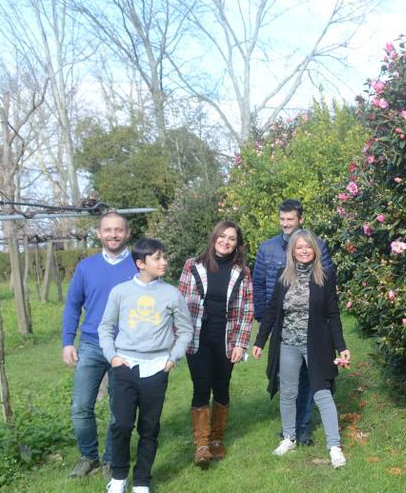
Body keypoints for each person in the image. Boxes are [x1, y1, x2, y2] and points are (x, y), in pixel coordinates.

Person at [98, 238, 194, 493]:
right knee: (121, 424)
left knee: (149, 427)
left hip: (156, 369)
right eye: (157, 258)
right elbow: (105, 327)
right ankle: (119, 477)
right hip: (124, 367)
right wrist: (113, 357)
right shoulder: (120, 292)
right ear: (141, 263)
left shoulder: (172, 294)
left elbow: (186, 329)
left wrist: (173, 358)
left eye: (164, 257)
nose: (164, 262)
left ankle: (141, 480)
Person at [251, 229, 350, 469]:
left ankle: (334, 446)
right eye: (299, 247)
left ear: (314, 250)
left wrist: (341, 347)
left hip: (316, 344)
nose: (304, 251)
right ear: (292, 251)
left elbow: (332, 314)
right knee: (288, 393)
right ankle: (289, 438)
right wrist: (260, 341)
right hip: (287, 344)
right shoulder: (283, 276)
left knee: (322, 393)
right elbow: (273, 311)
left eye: (308, 247)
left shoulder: (324, 275)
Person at [61, 212, 137, 479]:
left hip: (126, 348)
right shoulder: (86, 267)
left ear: (127, 233)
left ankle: (111, 459)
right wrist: (67, 342)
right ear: (99, 233)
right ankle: (88, 456)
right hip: (91, 345)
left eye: (118, 230)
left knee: (120, 408)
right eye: (108, 230)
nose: (113, 235)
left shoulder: (139, 265)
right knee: (81, 406)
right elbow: (72, 305)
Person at [252, 199, 333, 446]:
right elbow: (259, 284)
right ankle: (289, 429)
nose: (286, 224)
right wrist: (261, 317)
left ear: (300, 219)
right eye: (282, 220)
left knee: (309, 378)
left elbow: (326, 281)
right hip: (278, 321)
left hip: (310, 323)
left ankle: (304, 425)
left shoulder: (316, 246)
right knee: (285, 378)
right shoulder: (267, 248)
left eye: (290, 220)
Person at [178, 221, 254, 468]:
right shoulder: (193, 265)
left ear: (237, 243)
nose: (226, 241)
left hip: (227, 337)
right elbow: (179, 303)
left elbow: (246, 309)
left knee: (221, 386)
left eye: (231, 238)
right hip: (197, 337)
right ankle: (201, 444)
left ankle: (217, 438)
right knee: (201, 386)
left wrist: (241, 343)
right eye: (222, 236)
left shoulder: (242, 271)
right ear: (214, 238)